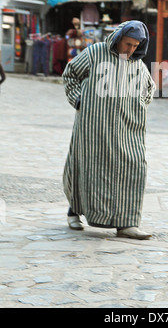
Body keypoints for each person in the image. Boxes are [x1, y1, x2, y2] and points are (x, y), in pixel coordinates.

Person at [62, 20, 156, 240]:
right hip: (92, 126)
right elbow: (70, 74)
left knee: (134, 167)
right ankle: (74, 211)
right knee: (87, 167)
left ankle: (127, 223)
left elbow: (149, 88)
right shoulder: (94, 53)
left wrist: (139, 105)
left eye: (135, 45)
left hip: (127, 129)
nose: (130, 49)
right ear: (118, 37)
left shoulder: (137, 63)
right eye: (127, 43)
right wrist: (79, 101)